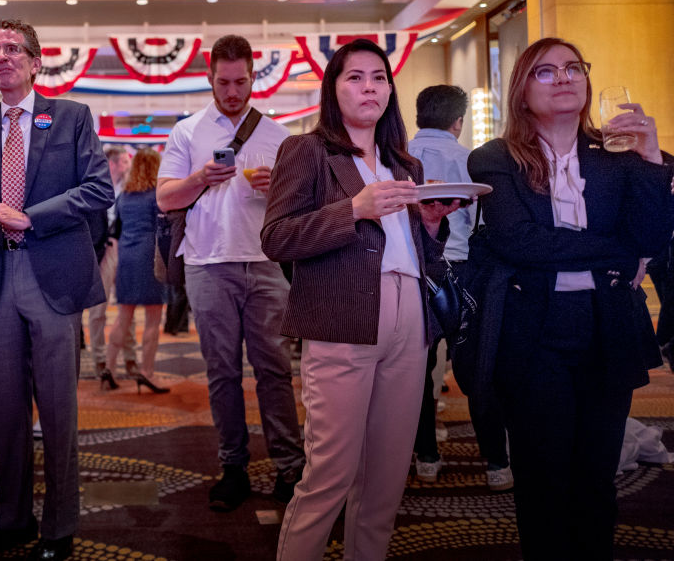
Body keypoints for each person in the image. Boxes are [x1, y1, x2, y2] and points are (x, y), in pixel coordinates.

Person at [467, 37, 673, 560]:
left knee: (596, 476)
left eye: (573, 68)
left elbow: (652, 240)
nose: (564, 78)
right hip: (533, 332)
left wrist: (652, 157)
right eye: (546, 71)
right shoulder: (494, 159)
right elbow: (522, 243)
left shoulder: (618, 157)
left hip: (607, 325)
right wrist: (620, 254)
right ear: (520, 91)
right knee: (544, 478)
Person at [261, 38, 454, 560]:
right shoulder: (307, 151)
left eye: (379, 77)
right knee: (330, 472)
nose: (369, 87)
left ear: (390, 89)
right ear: (334, 88)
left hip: (408, 315)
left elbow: (421, 258)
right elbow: (276, 237)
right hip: (341, 318)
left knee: (388, 473)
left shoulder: (404, 164)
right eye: (355, 77)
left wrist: (431, 226)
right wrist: (354, 209)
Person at [0, 19, 113, 561]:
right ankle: (12, 519)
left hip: (52, 276)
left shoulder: (71, 117)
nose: (3, 57)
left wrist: (29, 217)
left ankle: (59, 527)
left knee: (59, 409)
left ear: (37, 62)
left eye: (14, 49)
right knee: (6, 409)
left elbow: (98, 189)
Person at [157, 34, 305, 511]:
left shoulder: (278, 136)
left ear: (253, 77)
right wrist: (200, 178)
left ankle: (289, 465)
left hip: (265, 263)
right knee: (221, 372)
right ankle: (233, 466)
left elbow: (303, 208)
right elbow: (164, 199)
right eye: (224, 82)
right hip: (207, 263)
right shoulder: (188, 131)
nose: (233, 91)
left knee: (275, 370)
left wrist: (278, 186)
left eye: (242, 81)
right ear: (209, 77)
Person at [407, 84, 512, 491]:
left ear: (418, 116)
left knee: (418, 369)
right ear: (458, 121)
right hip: (466, 272)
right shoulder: (472, 160)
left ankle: (426, 457)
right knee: (479, 367)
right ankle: (496, 463)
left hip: (418, 271)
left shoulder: (397, 159)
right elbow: (487, 227)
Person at [105, 148, 168, 394]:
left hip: (127, 258)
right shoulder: (158, 195)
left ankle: (109, 368)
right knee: (153, 319)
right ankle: (146, 373)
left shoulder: (124, 196)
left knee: (123, 316)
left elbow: (115, 231)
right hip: (150, 257)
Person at [87, 146, 138, 383]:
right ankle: (99, 360)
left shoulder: (130, 189)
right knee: (98, 310)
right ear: (113, 164)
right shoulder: (94, 187)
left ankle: (131, 359)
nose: (129, 167)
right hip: (102, 251)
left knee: (127, 308)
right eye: (126, 162)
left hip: (126, 250)